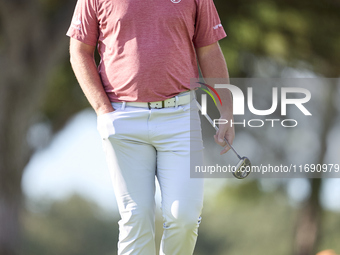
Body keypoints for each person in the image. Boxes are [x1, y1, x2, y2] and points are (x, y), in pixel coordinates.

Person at [67, 0, 234, 254]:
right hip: (121, 117)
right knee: (137, 217)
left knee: (184, 217)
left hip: (179, 116)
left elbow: (209, 49)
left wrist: (226, 111)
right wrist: (102, 109)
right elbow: (79, 50)